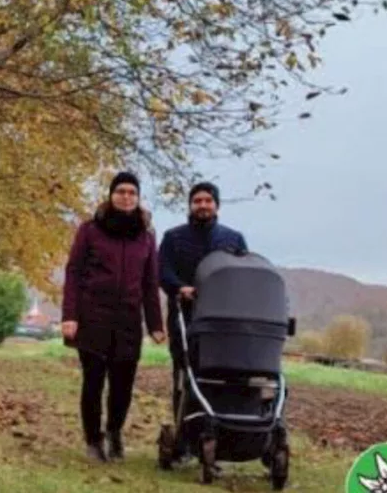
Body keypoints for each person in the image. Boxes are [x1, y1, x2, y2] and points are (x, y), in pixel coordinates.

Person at [61, 171, 166, 463]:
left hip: (128, 322)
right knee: (93, 382)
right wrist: (70, 316)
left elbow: (149, 283)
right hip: (93, 316)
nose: (126, 197)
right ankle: (93, 440)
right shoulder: (90, 230)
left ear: (138, 198)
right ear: (111, 195)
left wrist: (156, 324)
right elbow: (74, 273)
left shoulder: (146, 238)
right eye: (121, 191)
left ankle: (115, 432)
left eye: (132, 192)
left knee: (123, 384)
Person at [158, 181, 249, 422]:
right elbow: (163, 272)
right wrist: (180, 288)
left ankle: (219, 427)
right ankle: (183, 433)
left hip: (223, 323)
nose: (203, 205)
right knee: (185, 375)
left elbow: (244, 274)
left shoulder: (234, 240)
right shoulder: (173, 238)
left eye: (208, 201)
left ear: (216, 206)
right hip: (185, 318)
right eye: (197, 201)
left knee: (220, 376)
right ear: (190, 205)